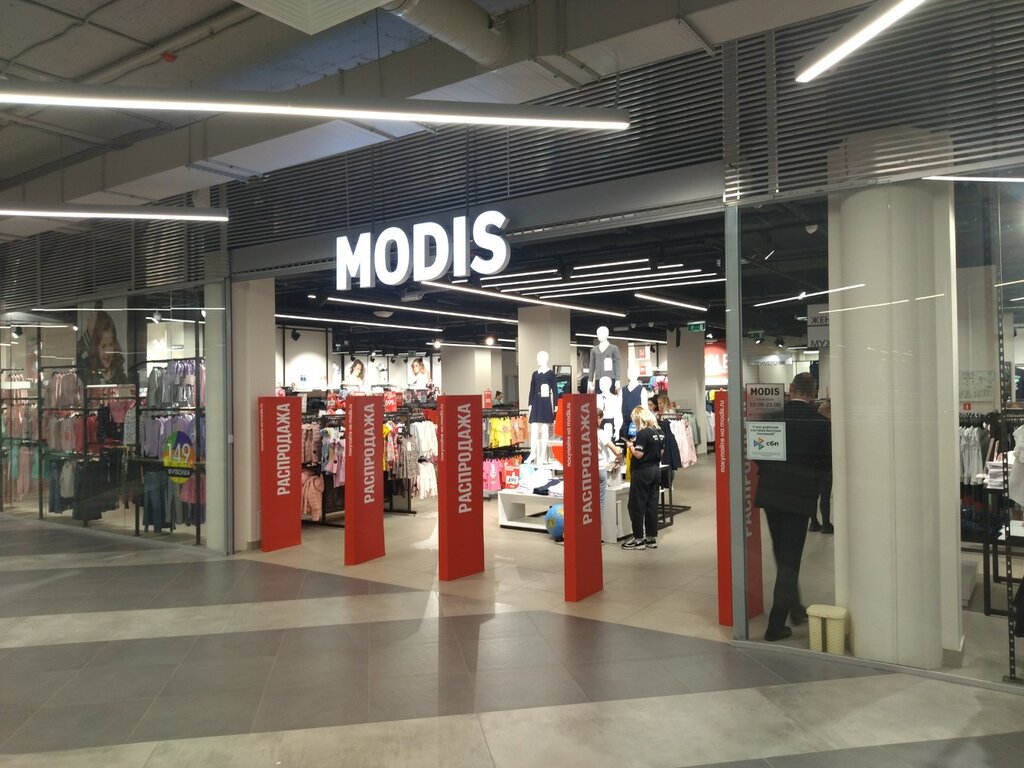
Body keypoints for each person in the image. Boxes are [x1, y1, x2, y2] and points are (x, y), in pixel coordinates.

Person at [755, 373, 832, 641]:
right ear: (814, 392)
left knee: (782, 553)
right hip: (798, 498)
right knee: (790, 559)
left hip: (771, 494)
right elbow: (825, 465)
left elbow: (758, 454)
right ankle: (775, 625)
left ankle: (795, 607)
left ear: (791, 389)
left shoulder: (770, 418)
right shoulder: (820, 424)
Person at [621, 405, 665, 551]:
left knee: (636, 505)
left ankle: (638, 539)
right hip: (655, 470)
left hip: (642, 472)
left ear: (638, 419)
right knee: (651, 505)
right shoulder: (660, 432)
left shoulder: (643, 433)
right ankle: (651, 537)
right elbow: (661, 452)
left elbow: (639, 454)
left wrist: (630, 446)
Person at [809, 399, 834, 534]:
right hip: (825, 467)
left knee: (813, 496)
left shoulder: (810, 426)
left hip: (811, 466)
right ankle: (826, 524)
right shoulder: (828, 426)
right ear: (827, 412)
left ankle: (813, 522)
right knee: (825, 497)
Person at [596, 408, 623, 530]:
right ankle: (598, 531)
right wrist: (618, 458)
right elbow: (616, 451)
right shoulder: (601, 433)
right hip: (600, 468)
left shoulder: (583, 433)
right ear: (599, 418)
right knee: (600, 501)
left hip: (587, 470)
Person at [83, 310, 126, 385]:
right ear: (96, 348)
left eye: (111, 344)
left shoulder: (120, 374)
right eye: (103, 346)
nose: (108, 351)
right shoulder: (88, 374)